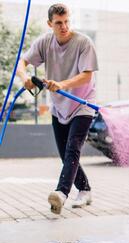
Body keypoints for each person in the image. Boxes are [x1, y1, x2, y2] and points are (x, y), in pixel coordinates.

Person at [17, 3, 99, 214]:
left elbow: (87, 75)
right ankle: (85, 189)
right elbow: (22, 61)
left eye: (67, 21)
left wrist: (62, 84)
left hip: (83, 104)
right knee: (66, 155)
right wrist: (25, 78)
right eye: (59, 23)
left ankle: (61, 194)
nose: (64, 27)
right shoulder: (45, 42)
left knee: (73, 148)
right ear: (50, 24)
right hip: (59, 106)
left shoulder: (83, 42)